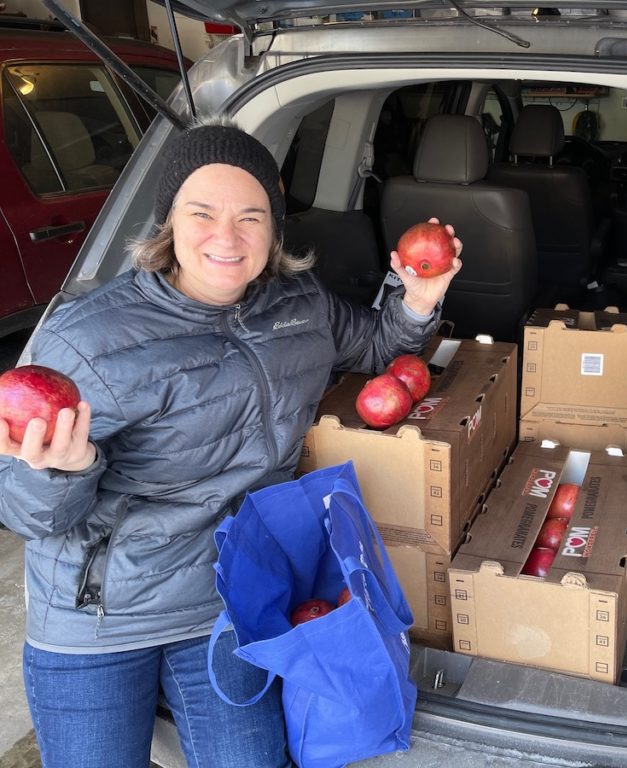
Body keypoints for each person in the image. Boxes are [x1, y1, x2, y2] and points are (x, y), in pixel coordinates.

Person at [0, 117, 461, 768]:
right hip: (97, 624)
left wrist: (417, 300)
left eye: (251, 216)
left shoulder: (300, 306)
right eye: (202, 212)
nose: (226, 236)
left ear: (274, 228)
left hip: (223, 604)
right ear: (167, 222)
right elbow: (24, 512)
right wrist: (62, 470)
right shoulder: (87, 338)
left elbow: (379, 350)